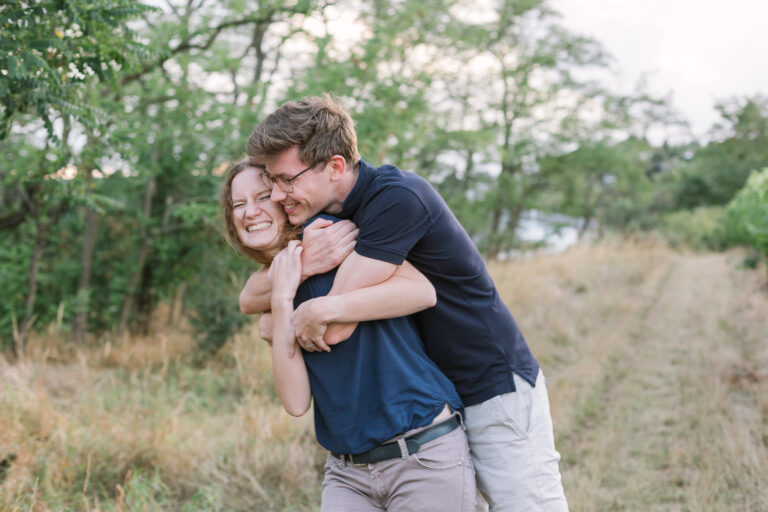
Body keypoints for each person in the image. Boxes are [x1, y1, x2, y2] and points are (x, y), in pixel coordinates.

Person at [240, 95, 569, 512]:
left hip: (488, 384)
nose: (279, 194)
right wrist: (295, 288)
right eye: (273, 181)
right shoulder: (333, 216)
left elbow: (337, 326)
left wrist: (302, 314)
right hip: (434, 398)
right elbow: (250, 298)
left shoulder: (397, 199)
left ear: (336, 166)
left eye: (288, 179)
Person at [221, 160, 477, 512]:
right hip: (347, 473)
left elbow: (421, 291)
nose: (250, 212)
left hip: (422, 453)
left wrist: (321, 307)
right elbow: (295, 403)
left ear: (284, 198)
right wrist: (282, 300)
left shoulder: (334, 237)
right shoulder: (274, 286)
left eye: (264, 196)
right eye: (238, 203)